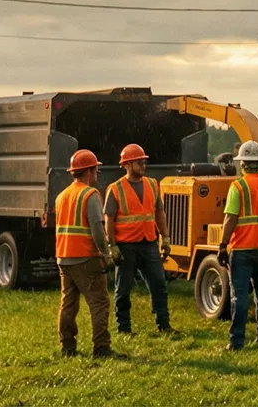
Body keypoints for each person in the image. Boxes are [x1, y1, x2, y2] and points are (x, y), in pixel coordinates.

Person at [54, 149, 119, 359]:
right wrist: (106, 254)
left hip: (64, 257)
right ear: (89, 171)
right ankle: (101, 348)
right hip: (86, 257)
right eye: (96, 170)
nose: (97, 173)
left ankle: (67, 348)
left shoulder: (62, 196)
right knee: (99, 303)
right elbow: (97, 229)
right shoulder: (90, 195)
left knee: (68, 304)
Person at [105, 143, 171, 336]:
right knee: (123, 290)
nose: (143, 165)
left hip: (149, 242)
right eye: (139, 162)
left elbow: (159, 212)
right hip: (126, 246)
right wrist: (112, 246)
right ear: (127, 165)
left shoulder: (152, 184)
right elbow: (108, 219)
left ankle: (164, 325)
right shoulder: (115, 189)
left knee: (159, 285)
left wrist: (165, 237)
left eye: (144, 162)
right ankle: (124, 328)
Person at [218, 139, 258, 350]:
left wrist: (223, 245)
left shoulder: (238, 187)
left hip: (242, 248)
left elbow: (230, 218)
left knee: (239, 296)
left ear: (242, 163)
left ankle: (236, 341)